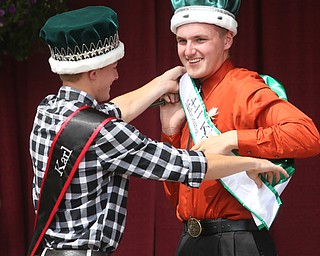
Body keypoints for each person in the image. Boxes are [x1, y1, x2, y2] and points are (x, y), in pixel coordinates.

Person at [27, 5, 288, 256]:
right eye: (113, 67)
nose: (117, 76)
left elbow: (108, 112)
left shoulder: (49, 111)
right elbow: (187, 165)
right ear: (94, 73)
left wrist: (161, 84)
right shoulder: (106, 135)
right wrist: (251, 161)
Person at [160, 0, 320, 255]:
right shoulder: (187, 93)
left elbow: (307, 136)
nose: (189, 51)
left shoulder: (243, 86)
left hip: (236, 242)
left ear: (227, 40)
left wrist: (232, 139)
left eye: (200, 39)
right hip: (189, 239)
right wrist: (170, 132)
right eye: (182, 41)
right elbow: (178, 193)